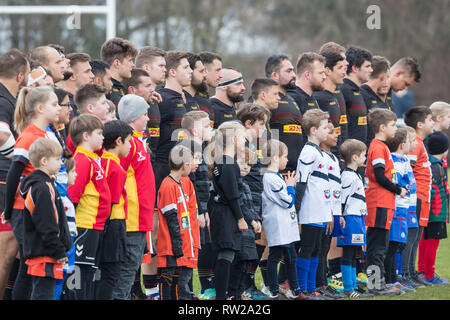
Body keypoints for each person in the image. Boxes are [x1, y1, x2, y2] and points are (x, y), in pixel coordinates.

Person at [2, 86, 61, 300]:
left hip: (38, 209)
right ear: (39, 108)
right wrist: (8, 210)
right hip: (25, 210)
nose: (59, 109)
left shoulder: (46, 134)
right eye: (54, 104)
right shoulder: (28, 137)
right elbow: (13, 175)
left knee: (31, 265)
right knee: (32, 264)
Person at [113, 94, 156, 300]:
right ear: (132, 117)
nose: (148, 118)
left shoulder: (138, 141)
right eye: (144, 114)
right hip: (130, 218)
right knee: (125, 272)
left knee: (130, 270)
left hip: (141, 217)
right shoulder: (127, 143)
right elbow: (116, 176)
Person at [20, 138, 72, 300]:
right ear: (43, 161)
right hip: (45, 253)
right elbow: (46, 223)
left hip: (45, 251)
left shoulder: (46, 184)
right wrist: (58, 249)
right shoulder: (42, 187)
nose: (61, 162)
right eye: (57, 159)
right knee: (43, 294)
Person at [67, 114, 110, 300]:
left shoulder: (93, 158)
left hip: (95, 227)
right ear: (85, 136)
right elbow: (73, 197)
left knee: (88, 276)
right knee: (77, 278)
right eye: (99, 133)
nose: (103, 137)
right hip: (83, 226)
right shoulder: (82, 160)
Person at [364, 108, 406, 296]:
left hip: (384, 203)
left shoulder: (382, 146)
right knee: (377, 247)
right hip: (378, 203)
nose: (395, 129)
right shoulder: (378, 147)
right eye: (392, 125)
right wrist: (398, 189)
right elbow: (379, 176)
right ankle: (375, 285)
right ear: (382, 127)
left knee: (380, 245)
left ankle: (378, 283)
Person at [205, 121, 248, 300]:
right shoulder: (228, 162)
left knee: (227, 253)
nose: (245, 140)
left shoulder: (222, 161)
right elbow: (232, 194)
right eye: (242, 136)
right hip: (225, 213)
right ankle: (222, 297)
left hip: (220, 211)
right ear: (232, 139)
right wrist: (240, 218)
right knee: (226, 253)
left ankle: (225, 294)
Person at [295, 108, 333, 300]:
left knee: (317, 249)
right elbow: (301, 182)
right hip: (309, 209)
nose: (328, 131)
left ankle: (312, 288)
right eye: (325, 127)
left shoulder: (319, 152)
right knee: (308, 248)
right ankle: (303, 289)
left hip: (320, 209)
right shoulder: (308, 152)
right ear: (312, 130)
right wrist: (297, 209)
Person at [0, 49, 29, 299]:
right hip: (2, 178)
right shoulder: (2, 98)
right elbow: (0, 133)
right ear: (20, 76)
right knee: (6, 251)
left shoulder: (9, 97)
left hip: (5, 179)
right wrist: (19, 157)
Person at [180, 111, 215, 299]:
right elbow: (191, 182)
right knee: (189, 248)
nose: (210, 129)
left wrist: (205, 208)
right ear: (194, 130)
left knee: (197, 247)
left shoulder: (200, 147)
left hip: (201, 207)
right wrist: (200, 210)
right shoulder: (189, 148)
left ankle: (189, 290)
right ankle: (185, 291)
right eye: (206, 125)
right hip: (191, 208)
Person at [97, 120, 133, 299]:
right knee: (111, 274)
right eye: (128, 141)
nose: (130, 146)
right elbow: (111, 201)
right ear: (119, 141)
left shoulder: (100, 162)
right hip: (113, 223)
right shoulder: (116, 168)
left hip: (101, 224)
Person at [261, 139, 300, 299]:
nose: (287, 160)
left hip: (286, 224)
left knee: (291, 256)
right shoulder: (270, 178)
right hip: (278, 224)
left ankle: (294, 289)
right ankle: (273, 290)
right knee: (276, 256)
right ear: (276, 157)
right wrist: (290, 186)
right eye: (285, 156)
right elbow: (287, 201)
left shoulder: (275, 176)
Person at [157, 144, 196, 300]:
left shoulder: (180, 182)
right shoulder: (168, 185)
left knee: (177, 283)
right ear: (184, 165)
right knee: (167, 279)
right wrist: (177, 244)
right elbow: (171, 218)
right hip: (169, 245)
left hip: (178, 243)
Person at [338, 139, 373, 298]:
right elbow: (342, 199)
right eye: (363, 155)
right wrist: (340, 215)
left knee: (354, 254)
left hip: (358, 219)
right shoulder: (347, 176)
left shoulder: (356, 175)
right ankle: (348, 288)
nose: (365, 158)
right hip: (350, 219)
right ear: (354, 157)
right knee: (348, 253)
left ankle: (353, 286)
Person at [403, 106, 434, 286]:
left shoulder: (420, 142)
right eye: (430, 120)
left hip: (423, 196)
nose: (433, 123)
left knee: (416, 236)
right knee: (411, 236)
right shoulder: (414, 143)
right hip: (416, 197)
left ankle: (412, 272)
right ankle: (406, 273)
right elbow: (408, 171)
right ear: (420, 124)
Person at [315, 122, 346, 299]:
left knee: (325, 247)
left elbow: (336, 188)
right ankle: (317, 284)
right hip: (320, 210)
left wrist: (338, 213)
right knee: (318, 248)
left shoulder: (333, 158)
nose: (336, 136)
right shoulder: (319, 157)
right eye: (331, 132)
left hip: (333, 210)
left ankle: (323, 283)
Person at [154, 50, 192, 192]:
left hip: (180, 173)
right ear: (172, 72)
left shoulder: (181, 99)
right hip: (163, 174)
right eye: (186, 67)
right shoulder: (162, 99)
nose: (191, 71)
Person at [384, 127, 416, 292]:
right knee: (392, 246)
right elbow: (395, 184)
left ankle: (393, 279)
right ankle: (389, 280)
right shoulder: (395, 162)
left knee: (397, 245)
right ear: (403, 145)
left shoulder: (404, 160)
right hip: (396, 209)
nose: (414, 144)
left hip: (403, 210)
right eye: (411, 141)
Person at [228, 146, 262, 300]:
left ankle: (241, 290)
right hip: (239, 229)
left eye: (248, 164)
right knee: (239, 261)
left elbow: (251, 206)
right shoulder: (234, 183)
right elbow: (241, 206)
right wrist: (252, 220)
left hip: (249, 229)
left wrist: (257, 220)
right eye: (241, 162)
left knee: (248, 261)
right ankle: (234, 293)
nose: (245, 167)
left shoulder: (245, 184)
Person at [419, 131, 449, 285]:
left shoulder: (434, 165)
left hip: (432, 213)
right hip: (435, 213)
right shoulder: (435, 167)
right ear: (444, 149)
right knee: (432, 242)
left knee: (426, 241)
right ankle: (428, 275)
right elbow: (432, 190)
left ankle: (422, 272)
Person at [265, 55, 303, 173]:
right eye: (289, 71)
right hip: (277, 172)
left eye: (293, 70)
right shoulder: (266, 98)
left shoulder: (292, 99)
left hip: (295, 173)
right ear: (275, 75)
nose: (294, 75)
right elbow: (261, 136)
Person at [313, 51, 347, 158]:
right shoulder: (318, 97)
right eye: (340, 68)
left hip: (336, 157)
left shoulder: (333, 95)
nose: (344, 72)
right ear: (328, 71)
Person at [341, 46, 373, 146]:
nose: (371, 70)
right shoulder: (343, 90)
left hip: (359, 156)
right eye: (367, 66)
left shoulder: (359, 91)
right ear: (355, 68)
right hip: (348, 156)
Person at [66, 84, 110, 154]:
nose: (107, 106)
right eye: (103, 103)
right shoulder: (80, 133)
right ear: (90, 108)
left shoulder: (96, 129)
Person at [360, 56, 392, 144]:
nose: (385, 82)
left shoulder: (387, 101)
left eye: (388, 77)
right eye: (382, 78)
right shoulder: (362, 95)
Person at [100, 37, 137, 107]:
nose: (133, 65)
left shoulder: (119, 89)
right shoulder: (105, 93)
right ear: (117, 63)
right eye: (130, 60)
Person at [56, 53, 95, 117]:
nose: (92, 76)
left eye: (91, 71)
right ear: (72, 76)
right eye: (87, 71)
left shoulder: (82, 101)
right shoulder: (64, 105)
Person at [197, 51, 223, 127]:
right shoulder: (189, 98)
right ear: (204, 70)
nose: (221, 75)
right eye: (217, 70)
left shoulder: (206, 99)